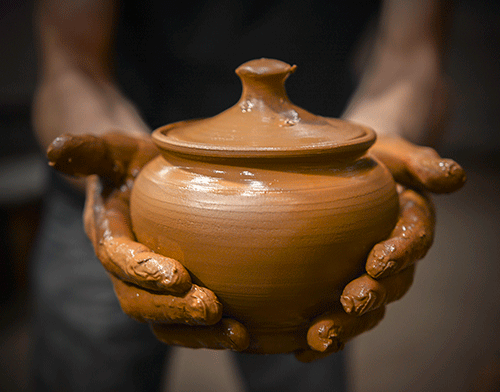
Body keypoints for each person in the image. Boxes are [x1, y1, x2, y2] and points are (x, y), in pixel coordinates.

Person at [31, 0, 465, 391]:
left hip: (321, 174)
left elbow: (411, 62)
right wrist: (114, 172)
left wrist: (384, 167)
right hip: (126, 160)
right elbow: (72, 66)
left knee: (315, 340)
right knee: (92, 370)